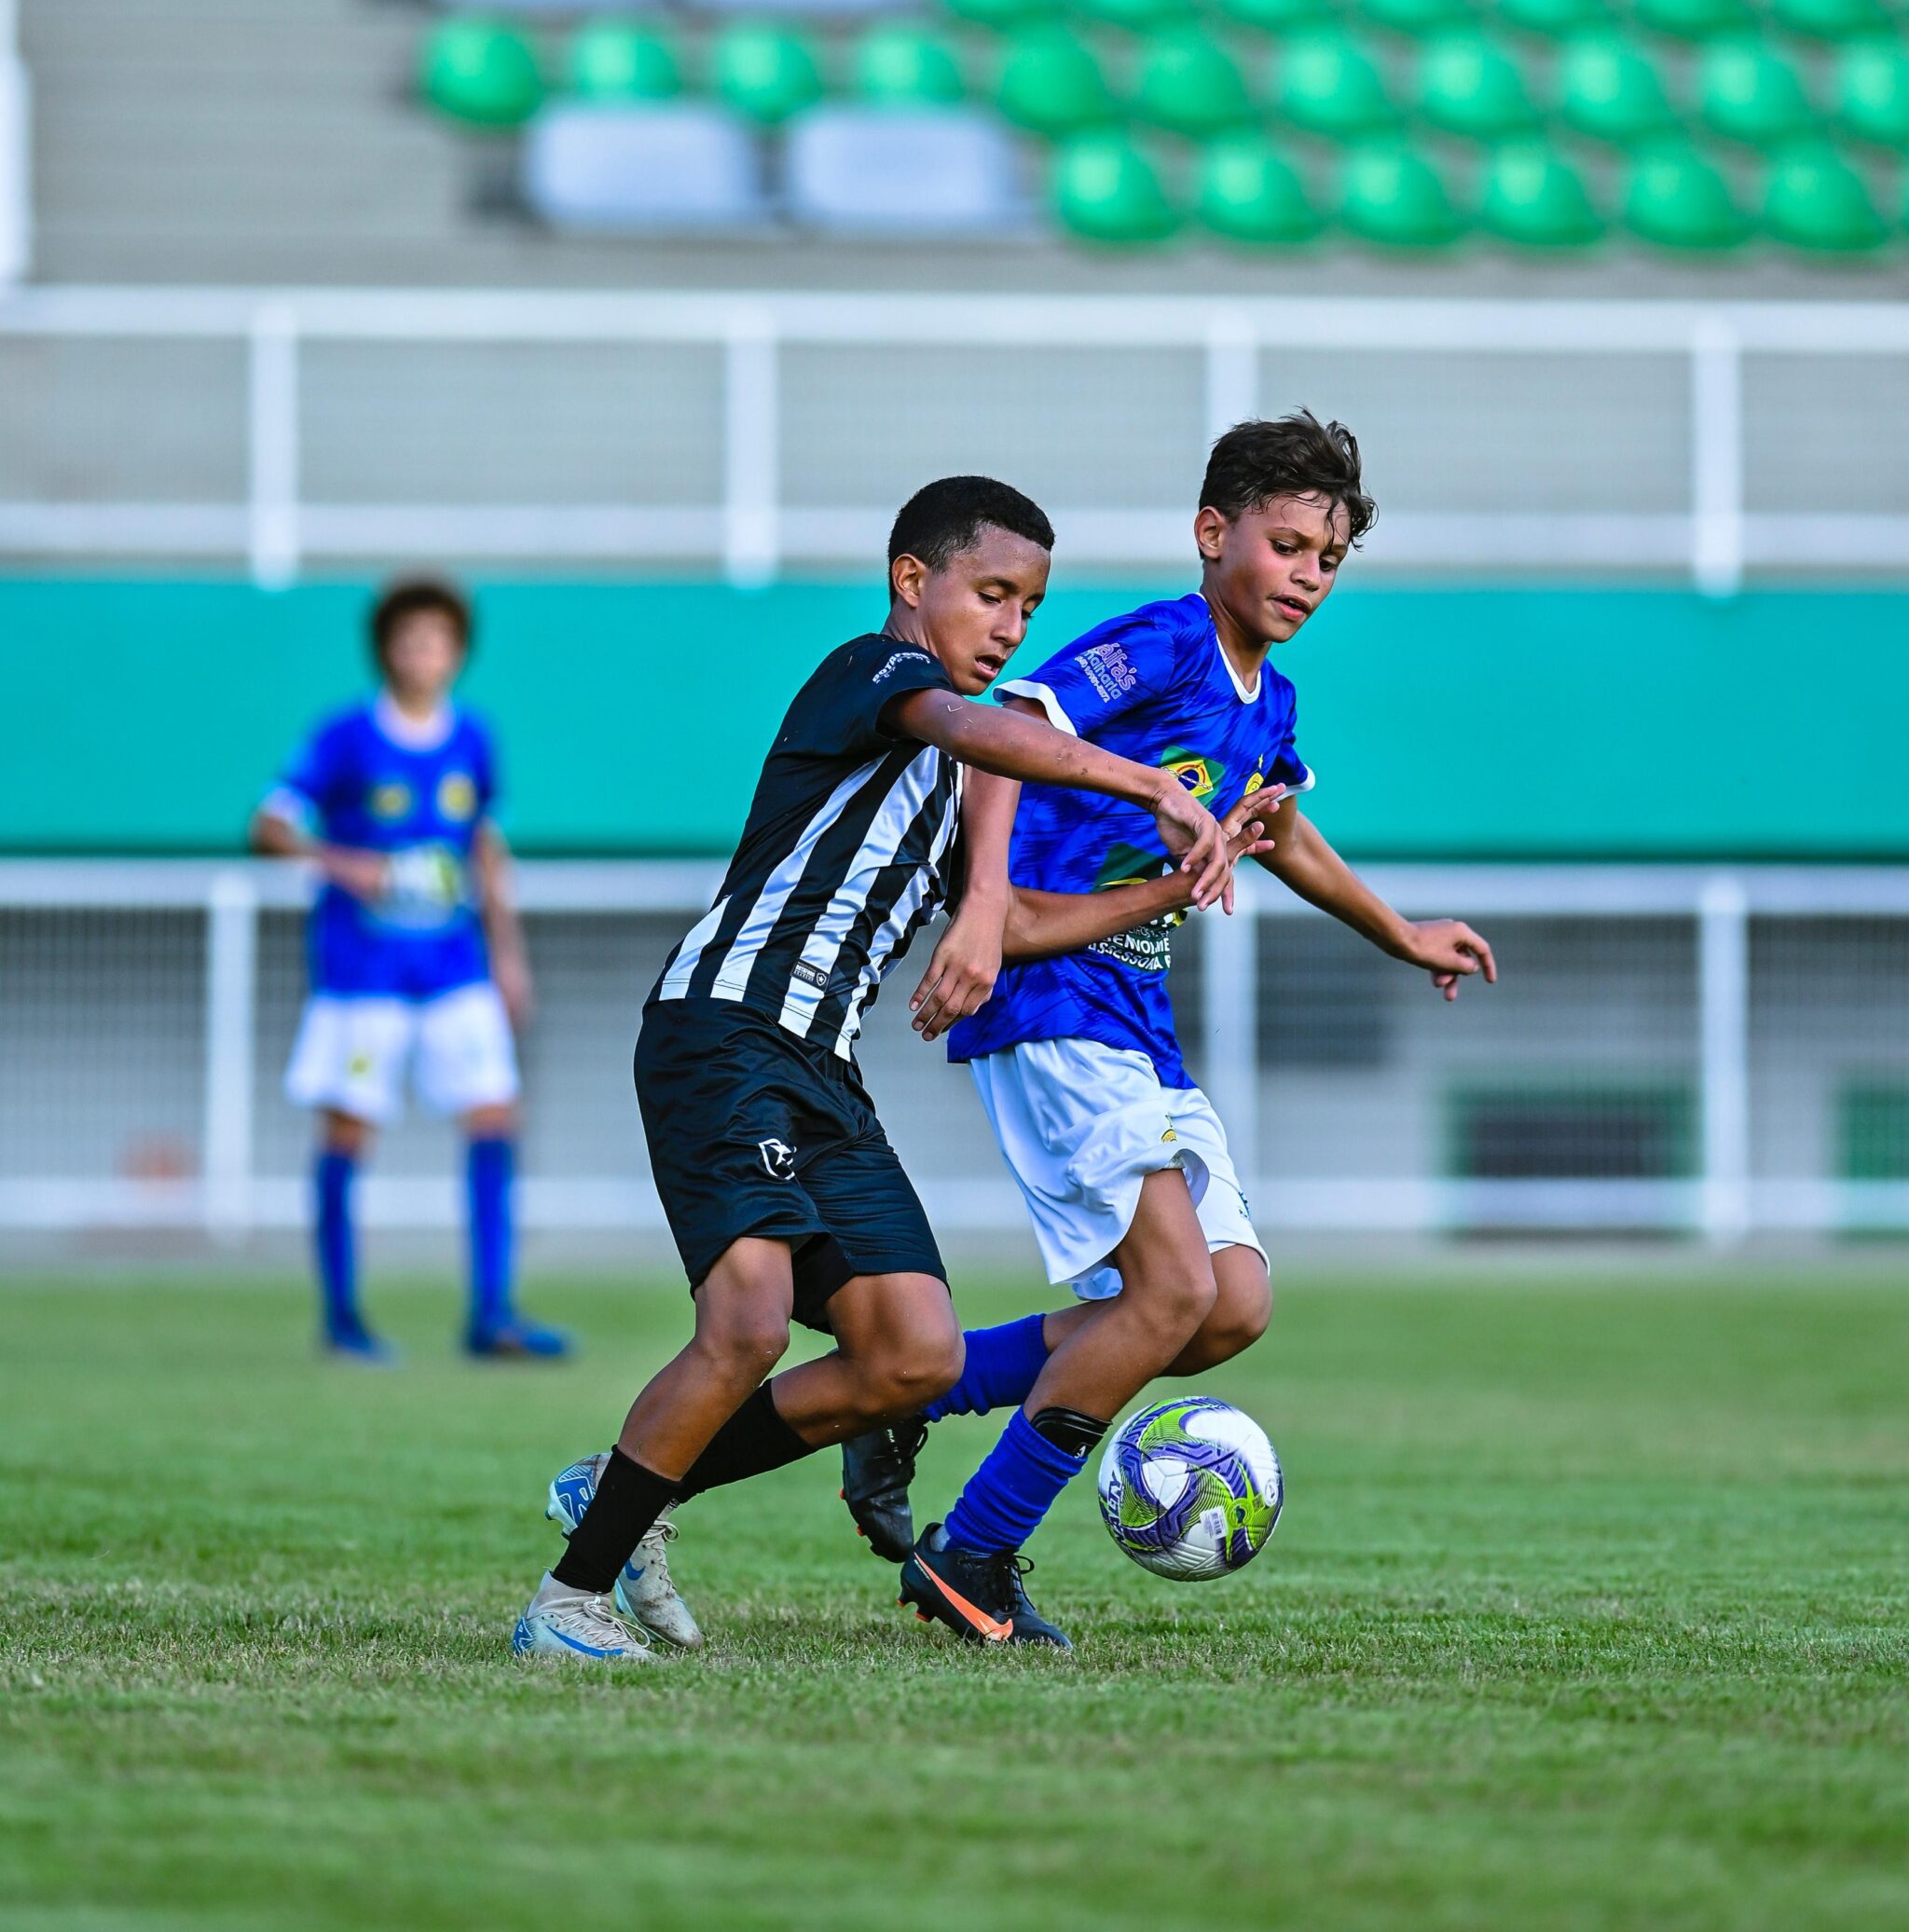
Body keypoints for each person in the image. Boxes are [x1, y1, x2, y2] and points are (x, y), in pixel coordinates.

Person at [513, 474, 1252, 1667]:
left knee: (912, 1357)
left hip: (822, 1069)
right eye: (992, 593)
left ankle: (627, 1489)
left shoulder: (959, 774)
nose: (1012, 625)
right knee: (747, 1322)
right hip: (722, 1032)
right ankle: (567, 1598)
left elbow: (1000, 921)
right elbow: (982, 725)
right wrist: (1146, 781)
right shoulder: (872, 675)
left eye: (1030, 604)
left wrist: (1167, 889)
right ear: (914, 581)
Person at [861, 414, 1497, 1649]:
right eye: (1288, 543)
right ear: (1215, 534)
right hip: (1052, 987)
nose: (1309, 574)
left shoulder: (1272, 700)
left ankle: (926, 1390)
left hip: (1135, 1011)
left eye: (1330, 557)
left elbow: (1286, 835)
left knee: (1228, 1307)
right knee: (1166, 1290)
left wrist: (1401, 931)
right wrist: (986, 913)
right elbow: (1009, 733)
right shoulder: (1162, 642)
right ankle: (973, 1556)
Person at [252, 574, 567, 1366]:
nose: (425, 653)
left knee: (495, 1116)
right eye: (410, 639)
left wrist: (509, 955)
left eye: (439, 640)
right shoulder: (347, 736)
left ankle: (492, 1312)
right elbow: (270, 824)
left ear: (456, 653)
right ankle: (343, 1316)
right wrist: (342, 861)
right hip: (363, 971)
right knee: (349, 1130)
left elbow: (487, 852)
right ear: (388, 650)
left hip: (455, 966)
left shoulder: (473, 740)